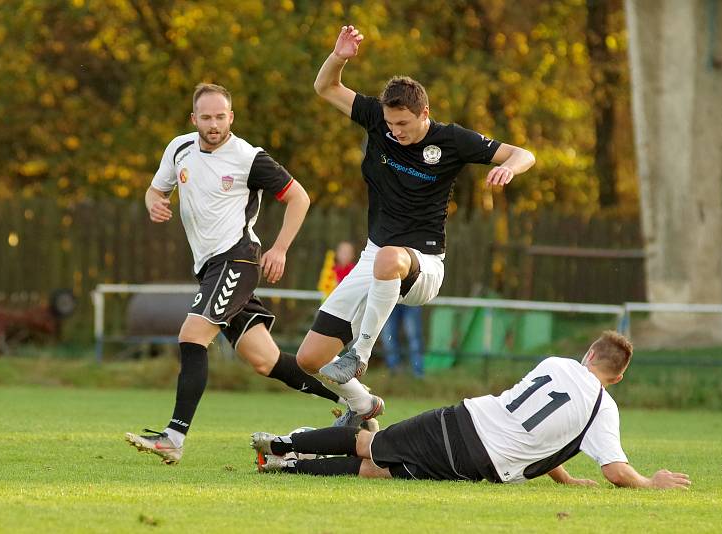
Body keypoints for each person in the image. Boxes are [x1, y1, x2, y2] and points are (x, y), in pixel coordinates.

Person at [296, 25, 536, 426]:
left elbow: (523, 153)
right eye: (390, 124)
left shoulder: (453, 140)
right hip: (375, 259)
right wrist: (338, 57)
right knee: (309, 358)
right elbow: (326, 87)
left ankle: (361, 355)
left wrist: (509, 168)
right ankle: (364, 404)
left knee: (389, 256)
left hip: (423, 264)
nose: (395, 131)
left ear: (425, 113)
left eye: (404, 124)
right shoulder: (377, 118)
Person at [125, 83, 347, 464]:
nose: (214, 124)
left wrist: (279, 249)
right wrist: (154, 203)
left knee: (192, 336)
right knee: (266, 361)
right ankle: (353, 400)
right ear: (194, 119)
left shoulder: (248, 157)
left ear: (232, 117)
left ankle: (174, 436)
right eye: (206, 117)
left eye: (220, 116)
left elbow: (300, 196)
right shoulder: (178, 148)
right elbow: (154, 189)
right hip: (209, 267)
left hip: (237, 259)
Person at [251, 331, 691, 490]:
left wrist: (567, 474)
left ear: (590, 354)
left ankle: (285, 445)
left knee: (371, 442)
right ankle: (286, 469)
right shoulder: (603, 408)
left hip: (468, 420)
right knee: (379, 471)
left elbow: (532, 418)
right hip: (483, 464)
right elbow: (607, 466)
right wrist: (651, 481)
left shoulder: (557, 364)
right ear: (618, 376)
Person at [381, 304, 424, 378]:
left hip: (410, 298)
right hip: (389, 299)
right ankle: (395, 371)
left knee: (414, 336)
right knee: (388, 336)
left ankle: (418, 372)